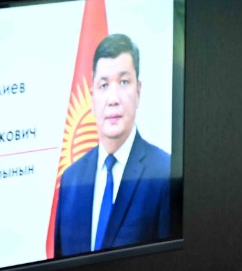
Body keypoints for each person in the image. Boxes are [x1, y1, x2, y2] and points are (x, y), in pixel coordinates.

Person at [53, 34, 173, 256]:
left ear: (138, 91)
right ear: (92, 98)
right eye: (104, 85)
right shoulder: (71, 180)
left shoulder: (165, 173)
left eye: (124, 82)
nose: (113, 99)